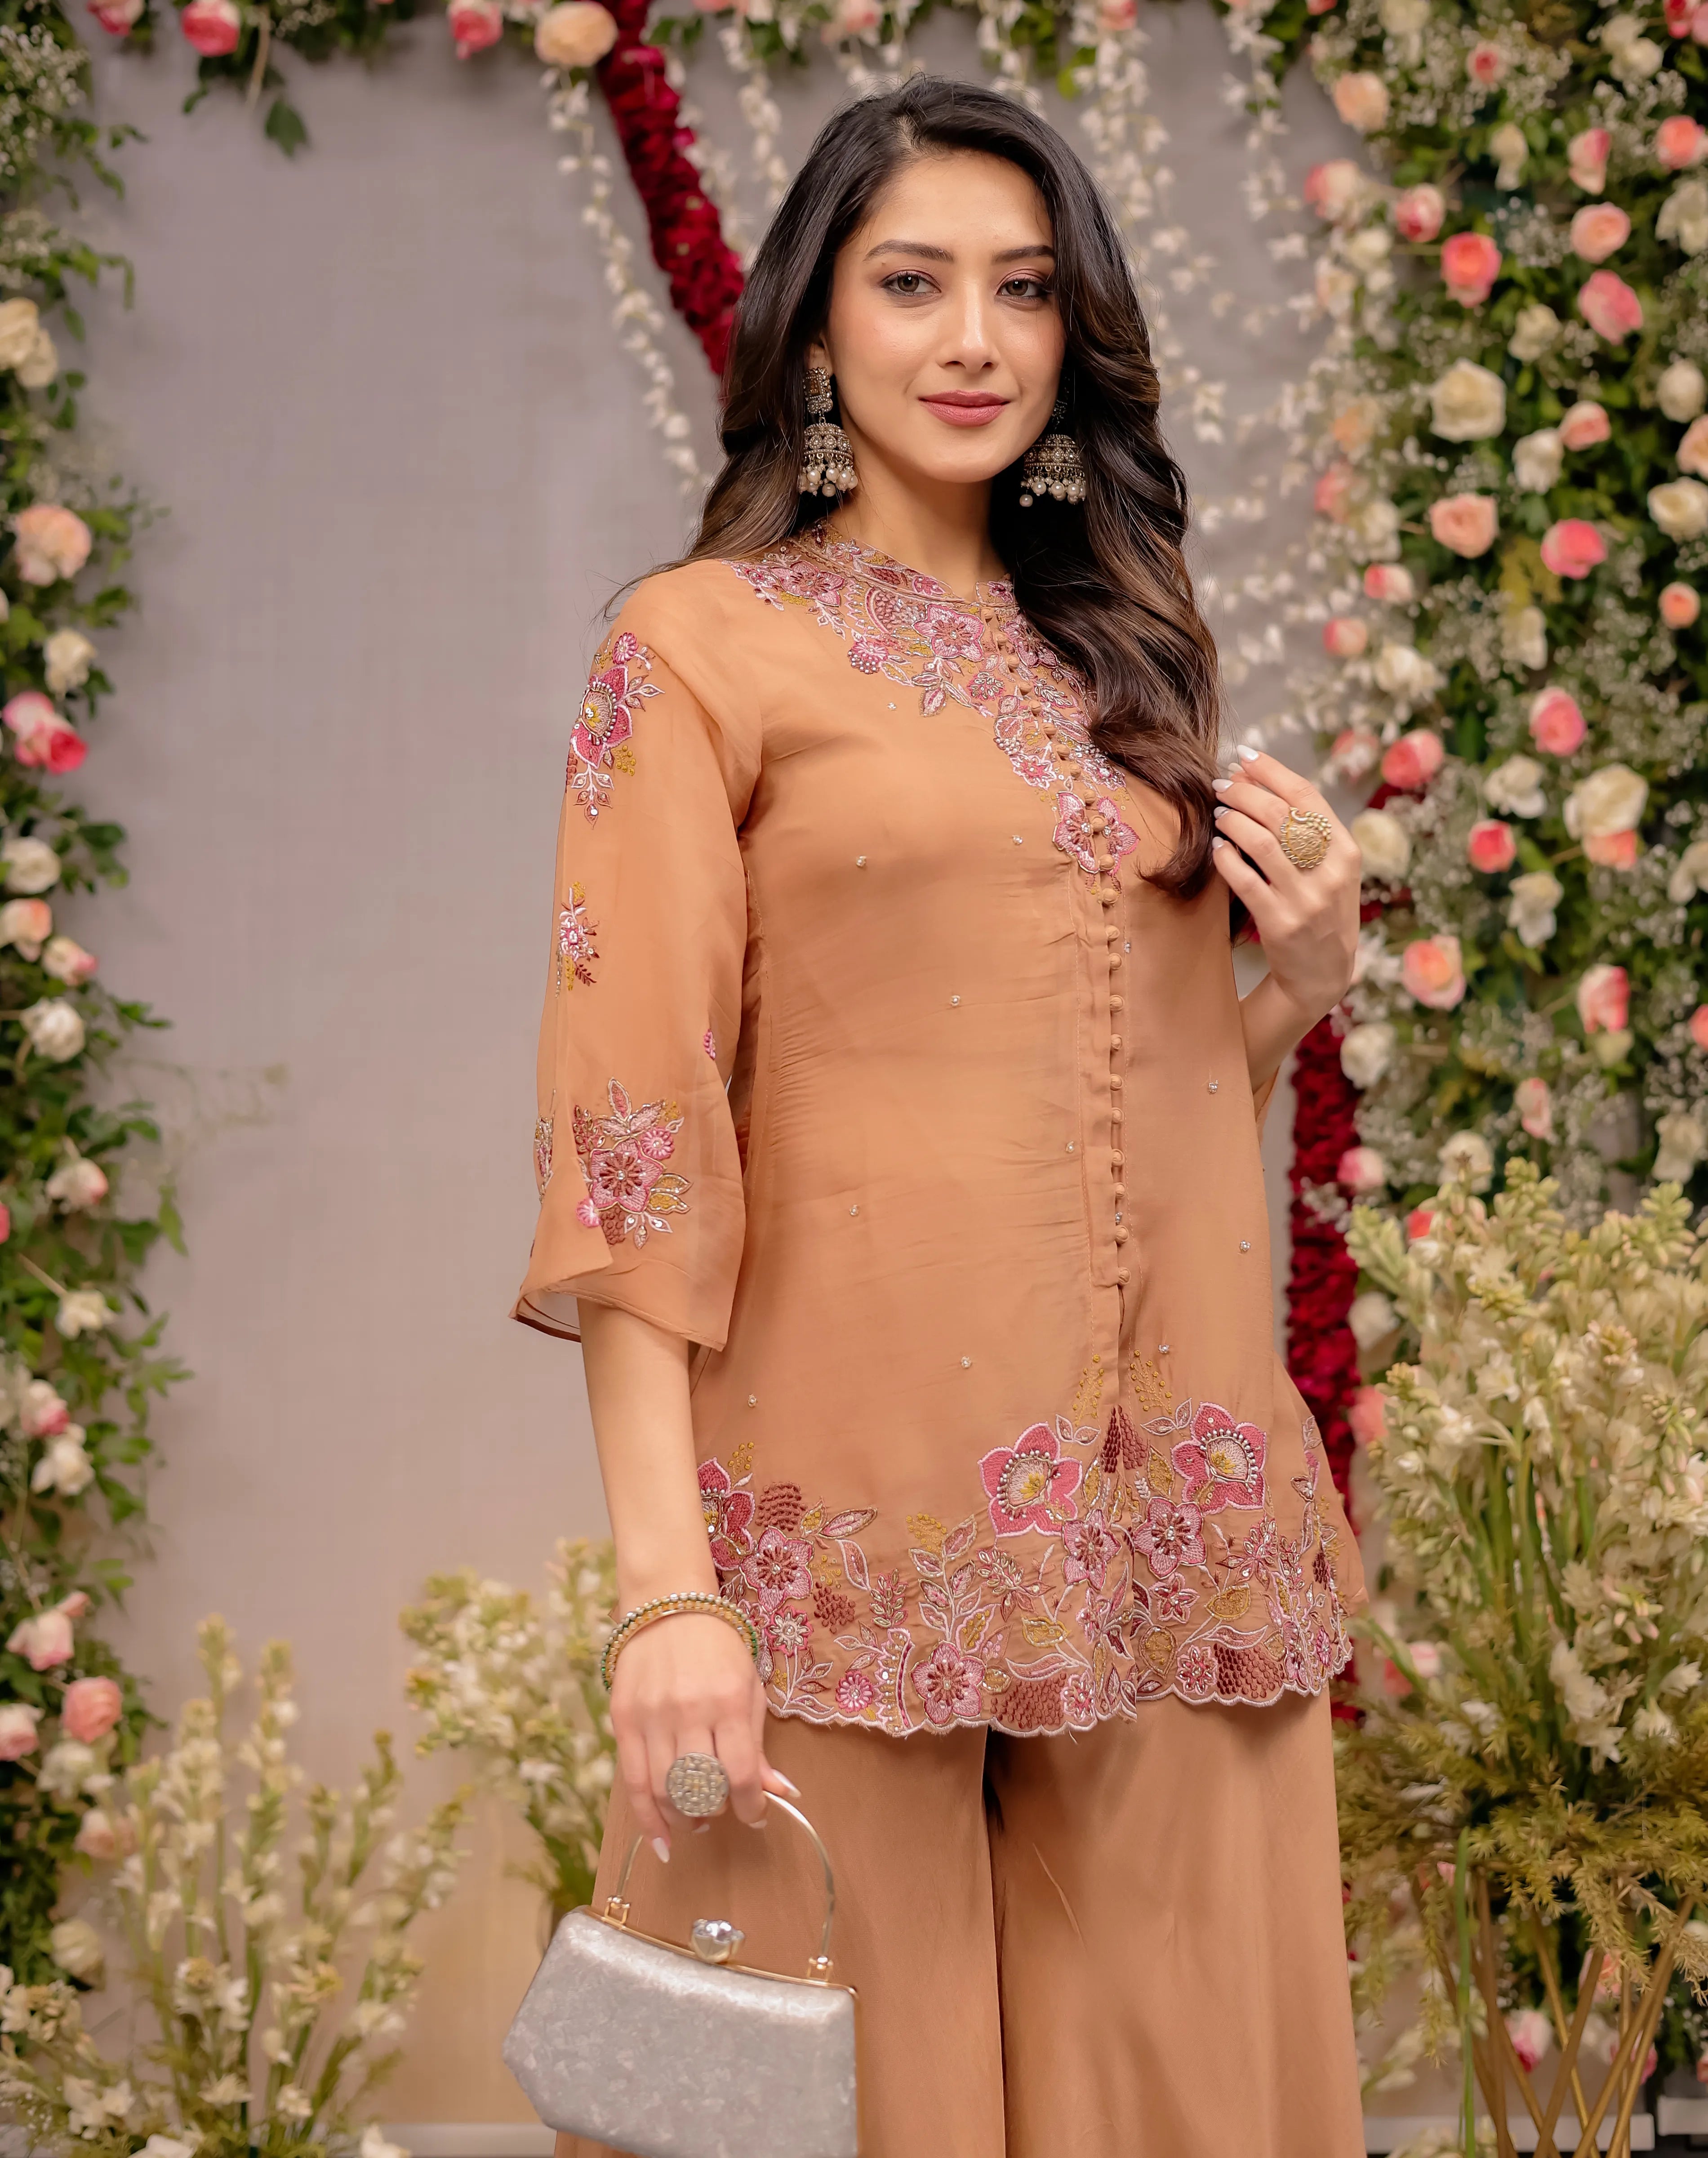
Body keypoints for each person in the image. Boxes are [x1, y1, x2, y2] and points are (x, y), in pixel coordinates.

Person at [516, 72, 1368, 2158]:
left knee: (1194, 2112)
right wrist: (668, 1594)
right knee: (836, 2113)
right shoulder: (697, 652)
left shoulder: (1123, 661)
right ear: (816, 326)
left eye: (1023, 288)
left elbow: (1125, 1098)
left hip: (1165, 1521)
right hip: (848, 1520)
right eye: (911, 284)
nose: (974, 339)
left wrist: (1293, 986)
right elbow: (634, 1148)